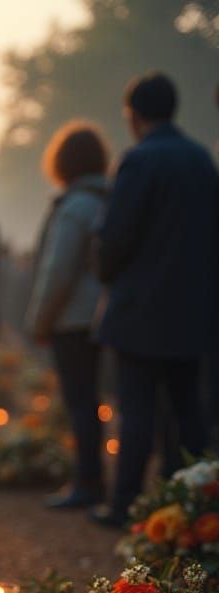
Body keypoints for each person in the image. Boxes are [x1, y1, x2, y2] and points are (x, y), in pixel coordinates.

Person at [93, 72, 218, 526]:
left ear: (134, 114)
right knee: (189, 412)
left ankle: (125, 504)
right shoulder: (203, 160)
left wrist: (106, 273)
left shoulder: (139, 161)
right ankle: (189, 505)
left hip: (141, 311)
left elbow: (116, 238)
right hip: (194, 311)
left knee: (138, 410)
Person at [25, 122, 111, 510]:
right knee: (94, 400)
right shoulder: (108, 199)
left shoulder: (73, 206)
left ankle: (87, 481)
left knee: (80, 404)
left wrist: (40, 322)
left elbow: (56, 272)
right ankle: (94, 477)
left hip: (72, 319)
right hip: (103, 314)